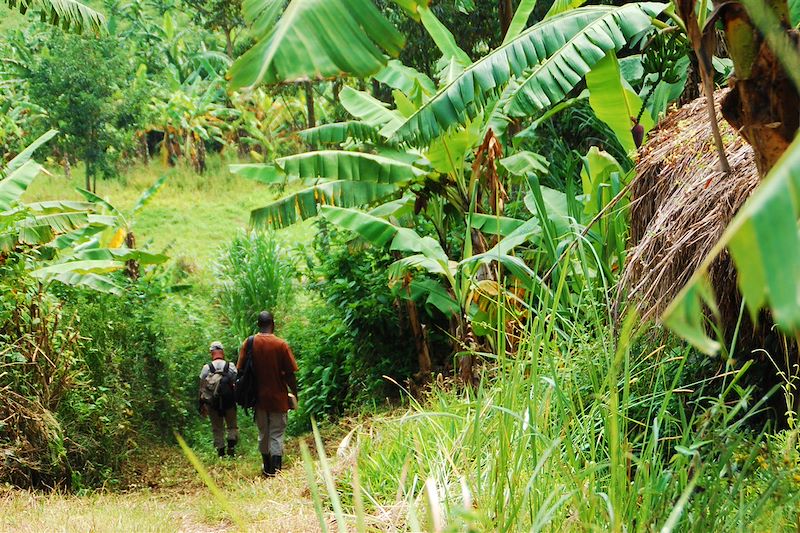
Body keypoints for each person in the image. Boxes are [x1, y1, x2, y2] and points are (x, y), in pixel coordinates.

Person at [237, 311, 298, 477]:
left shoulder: (249, 343)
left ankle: (266, 467)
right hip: (278, 398)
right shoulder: (281, 345)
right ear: (273, 323)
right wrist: (294, 392)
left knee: (263, 432)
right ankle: (276, 470)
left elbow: (240, 370)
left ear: (258, 324)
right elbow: (290, 374)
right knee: (277, 433)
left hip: (258, 399)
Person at [199, 341, 239, 458]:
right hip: (229, 400)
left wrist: (201, 404)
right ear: (222, 351)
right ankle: (231, 445)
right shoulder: (230, 366)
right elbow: (236, 382)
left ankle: (221, 452)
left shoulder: (207, 368)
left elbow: (202, 387)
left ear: (211, 353)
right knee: (232, 425)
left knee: (217, 428)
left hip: (213, 402)